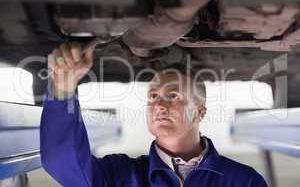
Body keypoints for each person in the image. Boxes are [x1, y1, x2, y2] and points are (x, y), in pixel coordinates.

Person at [40, 42, 268, 187]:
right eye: (153, 96)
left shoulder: (244, 181)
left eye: (173, 96)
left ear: (200, 112)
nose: (159, 104)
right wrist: (62, 90)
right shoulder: (120, 175)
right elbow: (62, 162)